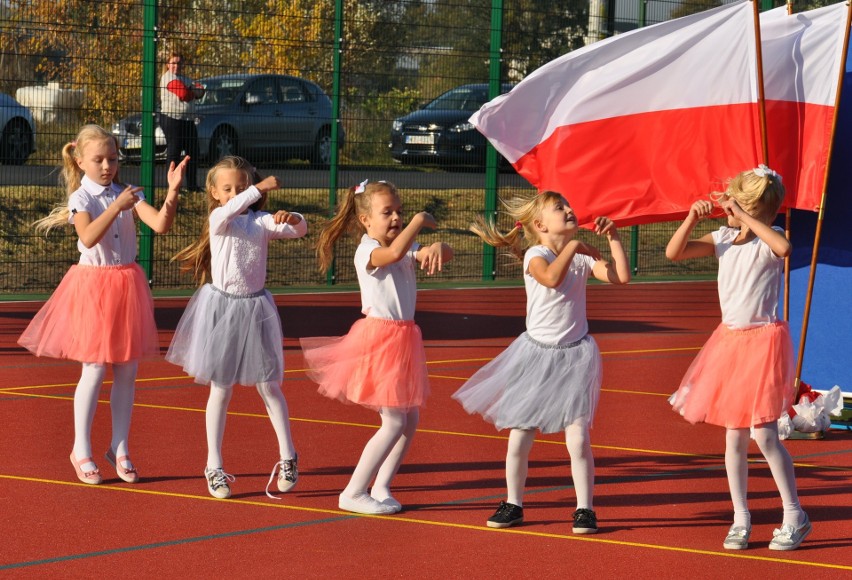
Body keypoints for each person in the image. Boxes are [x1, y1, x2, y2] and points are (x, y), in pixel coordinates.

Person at [452, 191, 630, 533]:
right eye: (558, 208)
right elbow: (550, 278)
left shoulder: (579, 257)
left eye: (568, 204)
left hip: (575, 356)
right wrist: (576, 247)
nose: (568, 209)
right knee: (521, 434)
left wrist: (614, 239)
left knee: (577, 438)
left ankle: (585, 509)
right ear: (539, 224)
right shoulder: (536, 254)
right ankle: (513, 502)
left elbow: (621, 277)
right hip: (535, 356)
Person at [18, 124, 187, 485]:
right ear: (80, 161)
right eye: (99, 160)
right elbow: (88, 236)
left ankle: (120, 447)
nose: (107, 165)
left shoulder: (127, 193)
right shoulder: (82, 198)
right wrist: (118, 207)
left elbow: (159, 225)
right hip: (93, 286)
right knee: (94, 369)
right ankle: (81, 449)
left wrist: (171, 193)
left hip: (126, 284)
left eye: (112, 158)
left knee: (127, 370)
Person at [665, 165, 809, 551]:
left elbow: (783, 250)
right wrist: (690, 218)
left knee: (763, 434)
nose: (729, 209)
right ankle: (740, 517)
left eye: (739, 204)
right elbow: (673, 252)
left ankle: (794, 514)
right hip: (729, 343)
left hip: (763, 343)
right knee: (734, 437)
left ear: (751, 207)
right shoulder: (723, 238)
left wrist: (745, 216)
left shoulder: (771, 236)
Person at [300, 179, 453, 515]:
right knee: (394, 422)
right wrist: (417, 221)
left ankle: (382, 485)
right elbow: (395, 252)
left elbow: (420, 251)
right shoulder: (367, 251)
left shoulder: (402, 246)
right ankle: (353, 491)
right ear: (367, 220)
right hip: (380, 341)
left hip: (403, 339)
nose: (397, 217)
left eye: (400, 211)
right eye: (388, 212)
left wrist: (439, 245)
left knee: (409, 420)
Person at [165, 155, 306, 500]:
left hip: (256, 309)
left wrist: (294, 217)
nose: (235, 194)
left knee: (269, 386)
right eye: (227, 189)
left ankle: (288, 456)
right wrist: (255, 188)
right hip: (221, 309)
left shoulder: (259, 222)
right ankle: (214, 466)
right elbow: (227, 212)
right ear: (213, 192)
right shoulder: (219, 219)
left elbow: (298, 229)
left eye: (241, 188)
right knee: (221, 389)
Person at [160, 52, 204, 192]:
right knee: (174, 153)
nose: (176, 66)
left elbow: (201, 91)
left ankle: (192, 186)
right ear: (168, 64)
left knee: (192, 153)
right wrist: (192, 92)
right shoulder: (168, 78)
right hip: (172, 119)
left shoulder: (185, 78)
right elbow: (184, 94)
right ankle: (173, 187)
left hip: (187, 120)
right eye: (173, 63)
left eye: (179, 63)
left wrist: (192, 90)